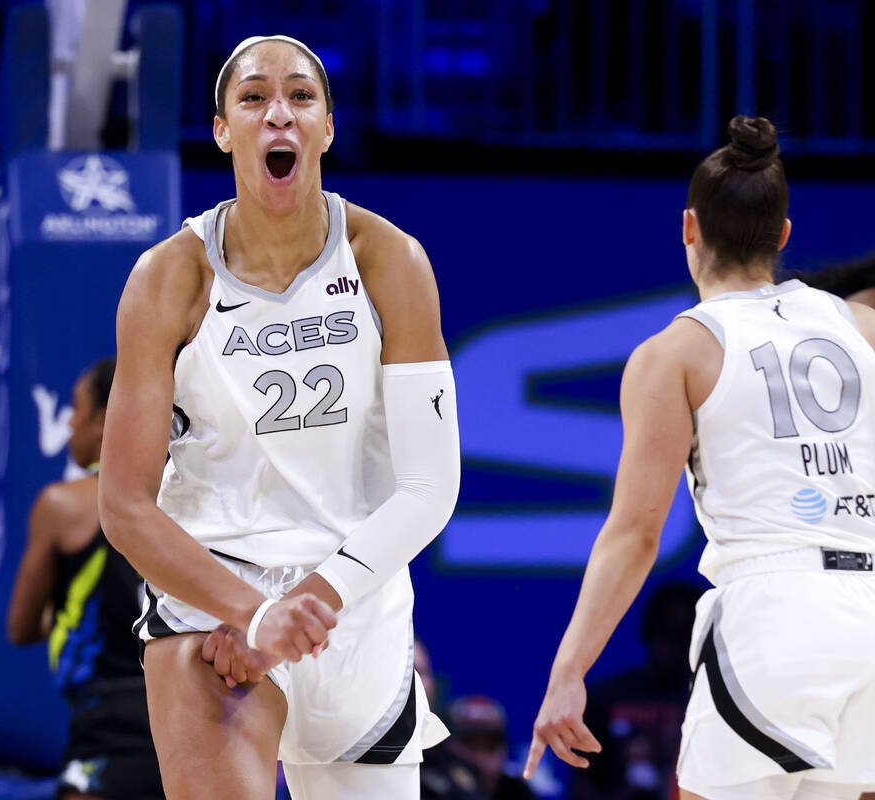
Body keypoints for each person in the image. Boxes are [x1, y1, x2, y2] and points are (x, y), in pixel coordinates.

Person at [98, 34, 460, 799]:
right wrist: (255, 615)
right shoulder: (168, 276)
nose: (278, 116)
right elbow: (124, 505)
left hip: (353, 597)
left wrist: (312, 603)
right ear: (224, 129)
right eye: (254, 98)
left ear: (327, 127)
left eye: (300, 97)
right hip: (217, 598)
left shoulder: (389, 259)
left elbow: (431, 486)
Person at [522, 116, 875, 800]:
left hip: (776, 619)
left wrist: (568, 672)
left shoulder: (675, 353)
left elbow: (635, 534)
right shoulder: (863, 329)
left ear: (689, 229)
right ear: (784, 237)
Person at [6, 358, 163, 800]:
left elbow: (21, 627)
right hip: (190, 714)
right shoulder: (194, 501)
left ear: (106, 419)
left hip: (106, 722)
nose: (70, 422)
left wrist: (69, 607)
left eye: (77, 408)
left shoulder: (62, 506)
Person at [571, 582, 703, 800]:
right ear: (647, 631)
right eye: (664, 634)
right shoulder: (604, 697)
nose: (670, 650)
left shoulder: (706, 704)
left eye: (681, 638)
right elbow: (583, 785)